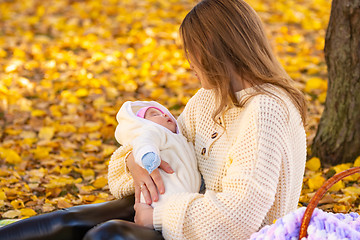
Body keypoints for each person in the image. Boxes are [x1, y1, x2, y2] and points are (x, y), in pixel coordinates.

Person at [0, 0, 307, 239]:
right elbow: (162, 149)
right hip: (185, 211)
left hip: (224, 233)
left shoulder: (266, 110)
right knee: (77, 219)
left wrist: (157, 217)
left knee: (110, 234)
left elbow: (237, 220)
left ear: (216, 51)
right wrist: (134, 161)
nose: (188, 62)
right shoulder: (208, 99)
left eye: (192, 51)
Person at [111, 101, 201, 207]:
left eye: (164, 113)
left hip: (187, 194)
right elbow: (144, 143)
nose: (164, 114)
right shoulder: (153, 131)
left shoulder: (180, 139)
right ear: (143, 123)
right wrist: (148, 156)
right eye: (155, 114)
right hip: (163, 192)